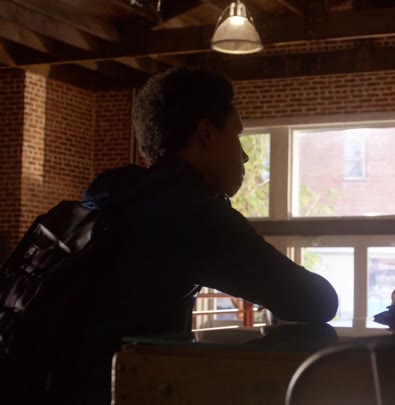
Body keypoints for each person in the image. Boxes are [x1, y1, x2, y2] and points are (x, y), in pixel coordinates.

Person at [23, 68, 339, 404]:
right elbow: (316, 301)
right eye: (236, 135)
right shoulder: (191, 214)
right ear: (206, 134)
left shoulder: (114, 199)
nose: (244, 155)